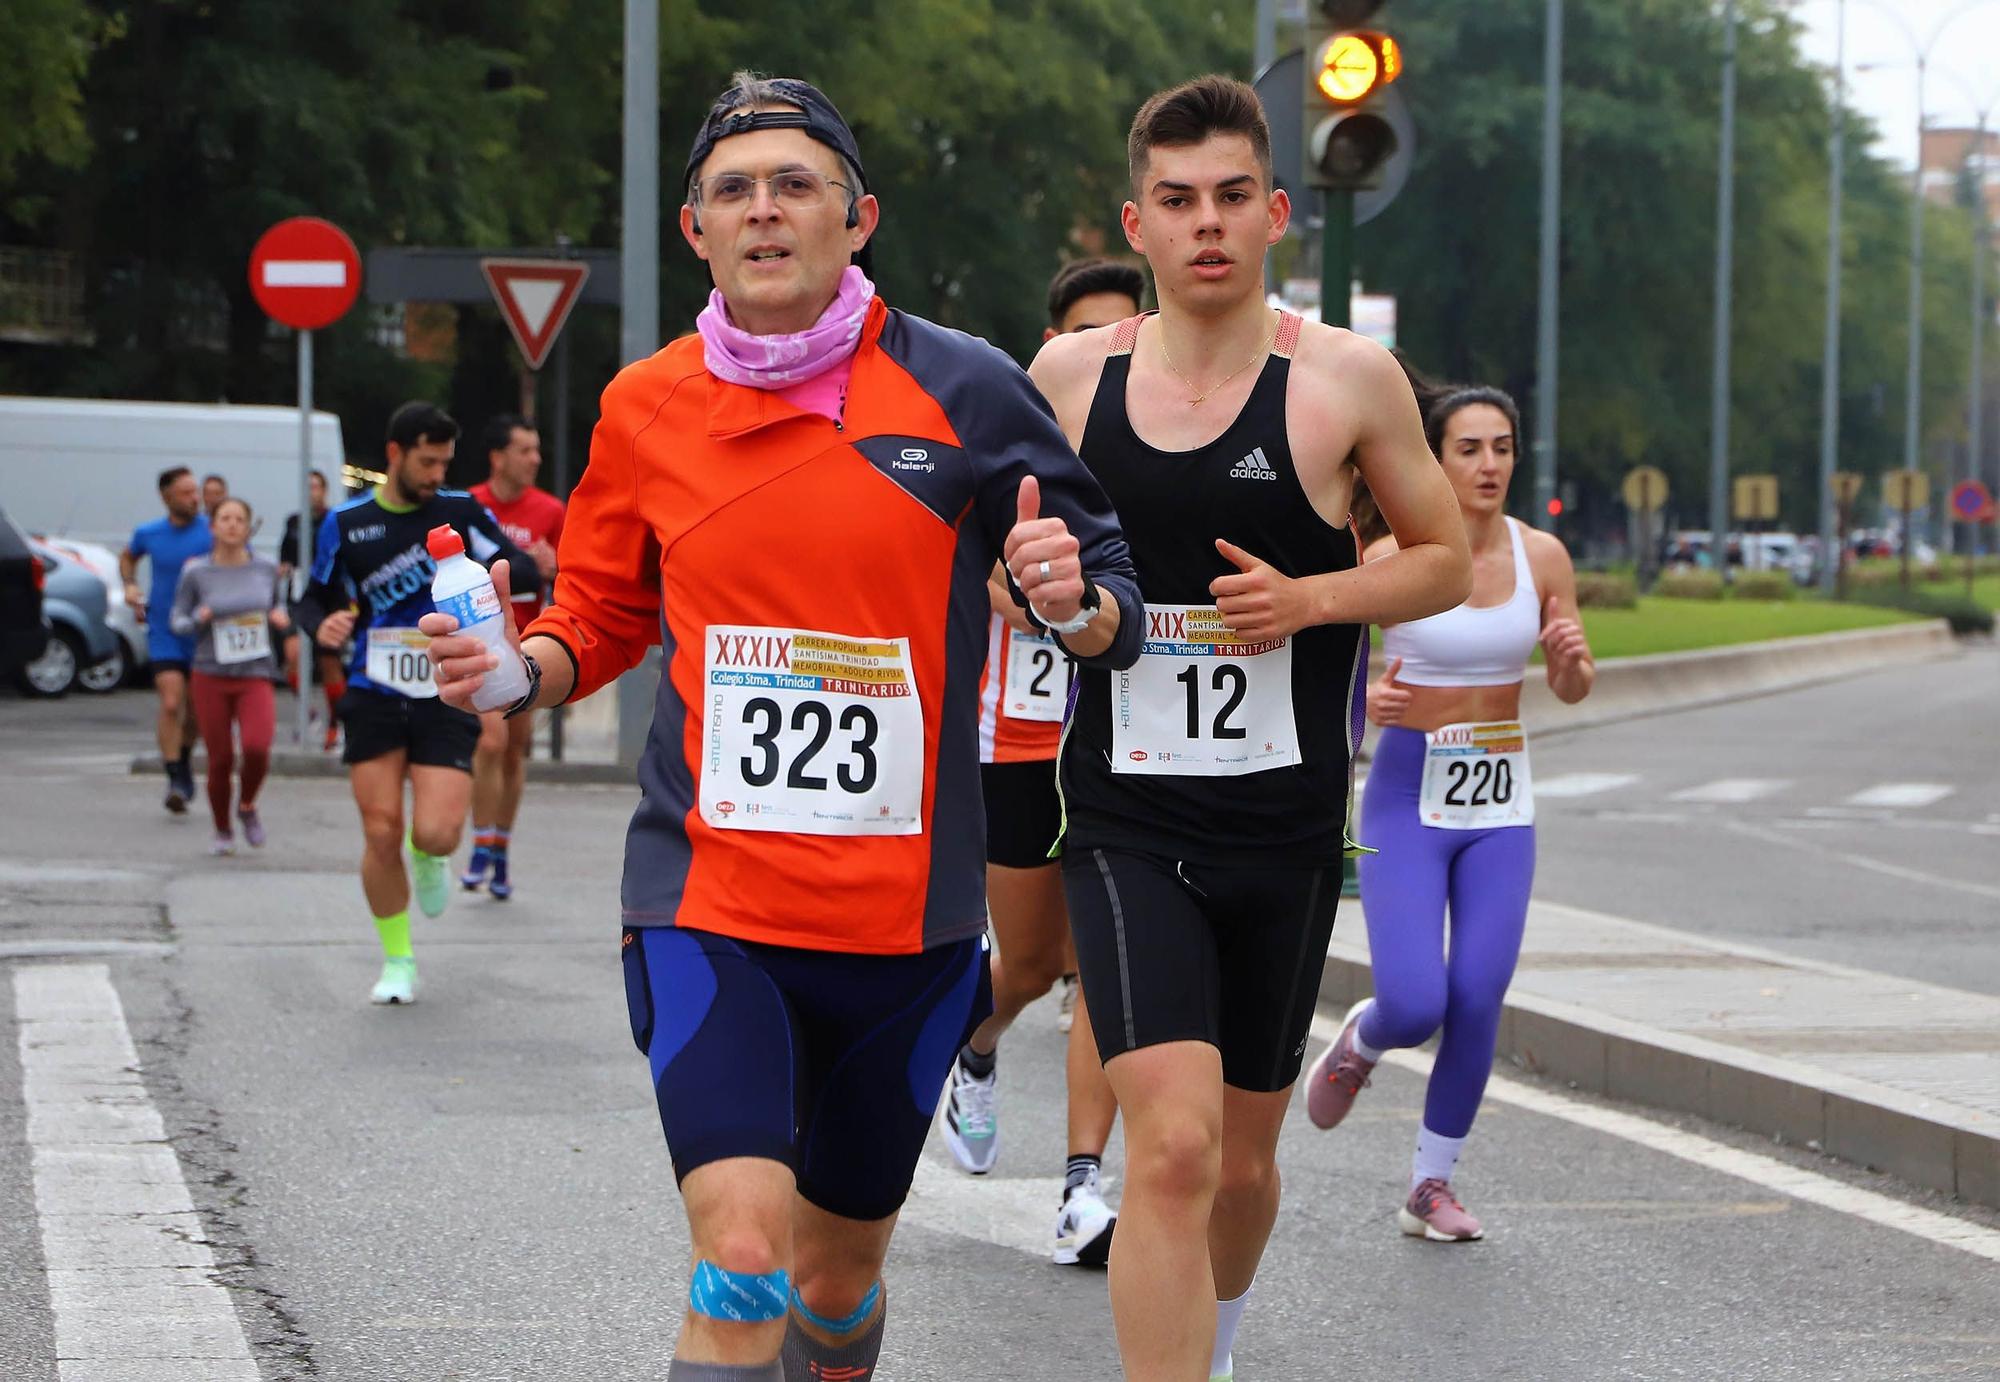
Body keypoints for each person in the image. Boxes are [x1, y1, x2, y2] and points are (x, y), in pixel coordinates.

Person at [420, 73, 1142, 1382]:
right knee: (741, 1256)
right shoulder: (644, 406)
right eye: (733, 191)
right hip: (710, 906)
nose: (765, 212)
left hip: (907, 932)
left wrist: (1074, 600)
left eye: (794, 185)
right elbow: (598, 611)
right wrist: (512, 674)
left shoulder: (965, 392)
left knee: (836, 1278)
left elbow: (1109, 583)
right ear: (695, 230)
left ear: (856, 218)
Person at [1029, 76, 1471, 1382]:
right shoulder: (1067, 379)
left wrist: (1315, 597)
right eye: (1177, 201)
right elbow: (1004, 559)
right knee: (1168, 1144)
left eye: (1231, 197)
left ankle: (1207, 1346)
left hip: (1280, 829)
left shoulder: (1345, 381)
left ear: (1276, 213)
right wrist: (1036, 584)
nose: (1205, 223)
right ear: (1138, 220)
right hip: (1121, 816)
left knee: (1243, 1159)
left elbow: (1442, 557)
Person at [1304, 384, 1595, 1242]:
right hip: (1406, 792)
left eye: (1502, 447)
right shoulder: (1392, 552)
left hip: (1501, 800)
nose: (1490, 465)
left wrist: (1572, 662)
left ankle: (1430, 1183)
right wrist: (1375, 707)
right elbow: (1328, 661)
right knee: (1416, 999)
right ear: (1436, 459)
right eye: (1469, 448)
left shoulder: (1541, 556)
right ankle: (1365, 1036)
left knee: (1477, 996)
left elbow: (1574, 685)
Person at [936, 257, 1145, 1277]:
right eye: (1087, 338)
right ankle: (973, 1050)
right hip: (1018, 742)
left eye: (1125, 333)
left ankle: (1078, 1187)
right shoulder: (1006, 446)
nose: (1109, 354)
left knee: (1100, 970)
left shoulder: (1171, 443)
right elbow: (988, 583)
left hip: (1131, 742)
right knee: (1023, 962)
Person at [294, 402, 537, 1006]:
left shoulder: (457, 511)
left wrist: (504, 574)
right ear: (396, 454)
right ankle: (397, 959)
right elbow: (311, 599)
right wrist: (321, 626)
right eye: (426, 462)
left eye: (445, 463)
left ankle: (428, 856)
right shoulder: (347, 523)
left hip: (444, 688)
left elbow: (520, 566)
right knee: (379, 831)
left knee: (434, 832)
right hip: (374, 686)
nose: (436, 475)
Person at [462, 414, 565, 899]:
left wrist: (554, 565)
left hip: (530, 646)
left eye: (537, 449)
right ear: (497, 457)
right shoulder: (469, 506)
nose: (535, 459)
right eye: (525, 450)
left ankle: (501, 847)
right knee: (489, 742)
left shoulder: (550, 510)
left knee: (513, 750)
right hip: (482, 646)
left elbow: (578, 581)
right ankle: (481, 842)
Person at [169, 498, 288, 854]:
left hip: (255, 671)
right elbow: (177, 619)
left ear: (248, 527)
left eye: (239, 519)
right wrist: (198, 619)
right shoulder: (196, 572)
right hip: (210, 673)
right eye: (225, 518)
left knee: (256, 747)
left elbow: (277, 602)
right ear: (213, 527)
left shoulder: (265, 568)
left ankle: (247, 805)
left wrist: (279, 616)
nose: (233, 525)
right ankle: (222, 829)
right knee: (220, 758)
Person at [121, 467, 213, 813]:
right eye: (187, 493)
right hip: (164, 630)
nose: (195, 499)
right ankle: (175, 776)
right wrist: (130, 585)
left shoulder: (212, 531)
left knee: (197, 715)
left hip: (204, 633)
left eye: (196, 492)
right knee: (172, 701)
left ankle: (185, 758)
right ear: (167, 497)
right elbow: (128, 556)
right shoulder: (149, 533)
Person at [280, 470, 344, 749]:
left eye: (316, 487)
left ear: (325, 490)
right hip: (298, 595)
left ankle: (335, 722)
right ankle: (308, 713)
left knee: (330, 663)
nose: (312, 492)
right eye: (307, 487)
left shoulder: (335, 519)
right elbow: (285, 559)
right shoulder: (294, 522)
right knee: (292, 654)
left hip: (328, 597)